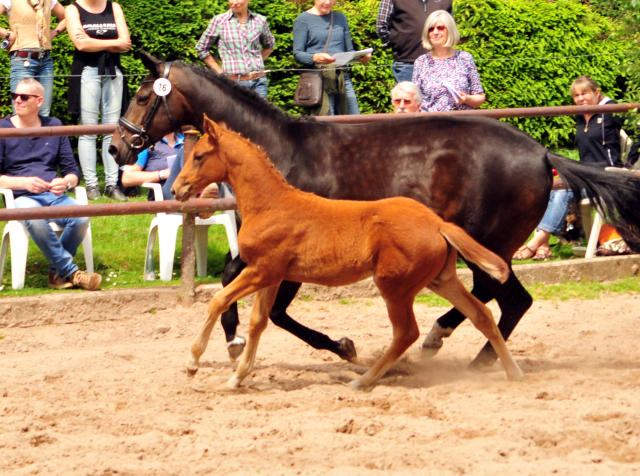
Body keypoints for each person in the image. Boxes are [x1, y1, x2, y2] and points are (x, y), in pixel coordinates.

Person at [0, 78, 102, 290]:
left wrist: (64, 183)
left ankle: (57, 273)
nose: (17, 100)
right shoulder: (3, 129)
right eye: (14, 96)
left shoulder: (54, 126)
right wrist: (24, 182)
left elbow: (73, 173)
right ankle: (71, 272)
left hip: (54, 194)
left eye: (24, 97)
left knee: (82, 217)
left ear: (39, 102)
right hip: (21, 197)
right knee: (35, 218)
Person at [513, 75, 624, 261]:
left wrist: (633, 160)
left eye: (584, 94)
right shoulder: (581, 116)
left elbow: (635, 130)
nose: (580, 99)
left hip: (606, 176)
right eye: (576, 95)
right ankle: (544, 246)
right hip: (585, 176)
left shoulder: (611, 111)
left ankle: (534, 243)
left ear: (597, 93)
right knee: (552, 188)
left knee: (563, 192)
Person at [65, 0, 131, 201]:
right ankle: (92, 185)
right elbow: (80, 44)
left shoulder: (115, 7)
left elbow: (126, 43)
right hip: (87, 72)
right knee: (88, 130)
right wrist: (113, 43)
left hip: (113, 73)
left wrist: (94, 42)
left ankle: (112, 185)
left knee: (113, 130)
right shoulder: (72, 9)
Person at [293, 0, 371, 116]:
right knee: (327, 123)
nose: (327, 2)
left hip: (342, 78)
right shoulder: (303, 20)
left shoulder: (341, 19)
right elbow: (298, 53)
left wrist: (359, 57)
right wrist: (315, 57)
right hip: (318, 79)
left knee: (354, 120)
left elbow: (349, 50)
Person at [196, 0, 275, 99]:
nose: (234, 2)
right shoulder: (219, 21)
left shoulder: (260, 21)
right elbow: (201, 48)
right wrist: (220, 72)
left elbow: (269, 45)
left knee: (260, 115)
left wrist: (256, 62)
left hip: (259, 83)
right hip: (233, 84)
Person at [0, 0, 66, 117]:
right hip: (21, 60)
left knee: (44, 114)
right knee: (21, 113)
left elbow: (67, 17)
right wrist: (8, 34)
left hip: (45, 61)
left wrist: (53, 33)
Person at [412, 10, 485, 113]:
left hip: (461, 123)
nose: (435, 32)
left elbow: (480, 97)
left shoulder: (465, 58)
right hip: (431, 123)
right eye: (431, 29)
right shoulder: (421, 62)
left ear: (450, 30)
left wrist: (466, 99)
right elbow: (415, 100)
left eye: (440, 28)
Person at [376, 0, 452, 84]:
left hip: (440, 61)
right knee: (407, 95)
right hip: (407, 62)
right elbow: (381, 27)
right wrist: (398, 44)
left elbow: (450, 25)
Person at [121, 132, 184, 201]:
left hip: (189, 190)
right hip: (166, 194)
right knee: (182, 151)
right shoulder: (147, 144)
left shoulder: (187, 141)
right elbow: (127, 178)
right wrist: (163, 174)